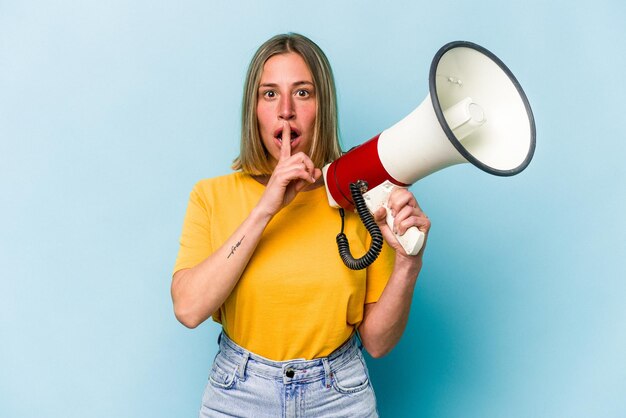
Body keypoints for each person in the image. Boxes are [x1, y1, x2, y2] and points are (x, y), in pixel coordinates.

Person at [171, 32, 431, 418]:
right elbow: (189, 309)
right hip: (239, 393)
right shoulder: (211, 196)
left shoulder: (356, 194)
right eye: (270, 94)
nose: (286, 111)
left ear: (322, 106)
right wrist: (266, 208)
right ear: (253, 109)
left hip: (338, 394)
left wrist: (409, 263)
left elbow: (377, 343)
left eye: (303, 93)